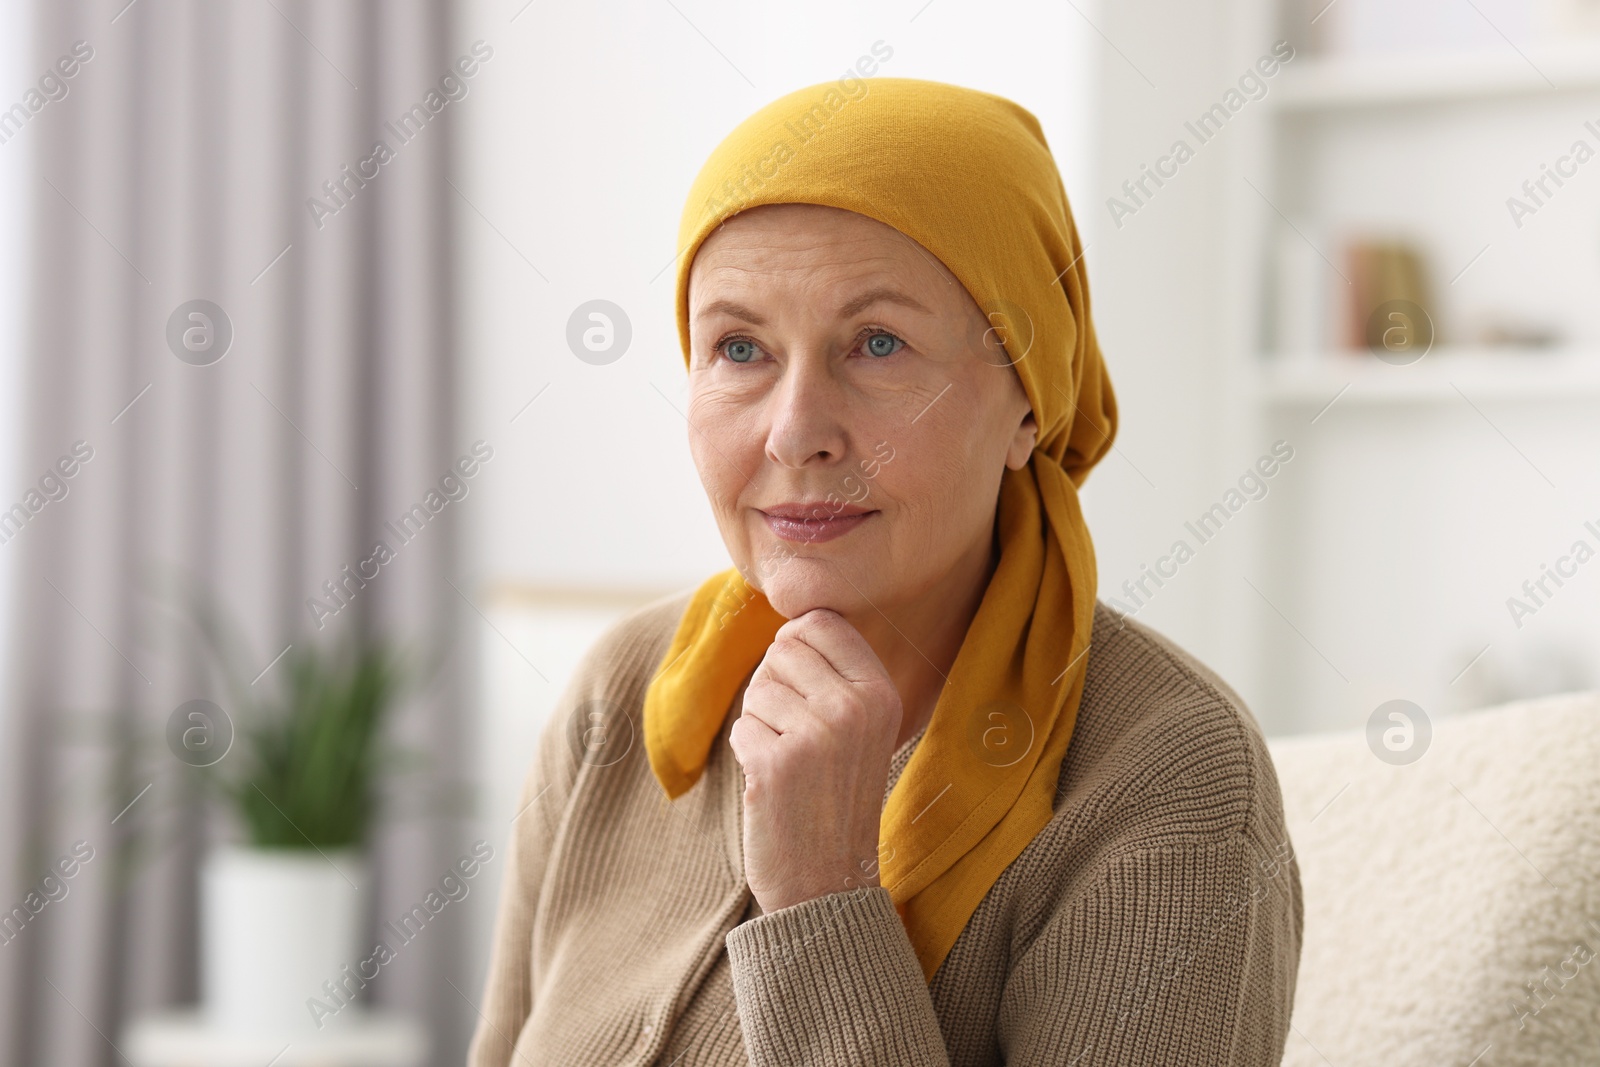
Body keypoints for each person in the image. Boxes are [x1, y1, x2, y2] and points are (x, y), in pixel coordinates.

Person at [468, 76, 1302, 1066]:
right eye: (739, 346)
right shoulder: (627, 686)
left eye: (876, 343)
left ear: (1028, 401)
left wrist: (824, 895)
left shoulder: (1165, 778)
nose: (795, 431)